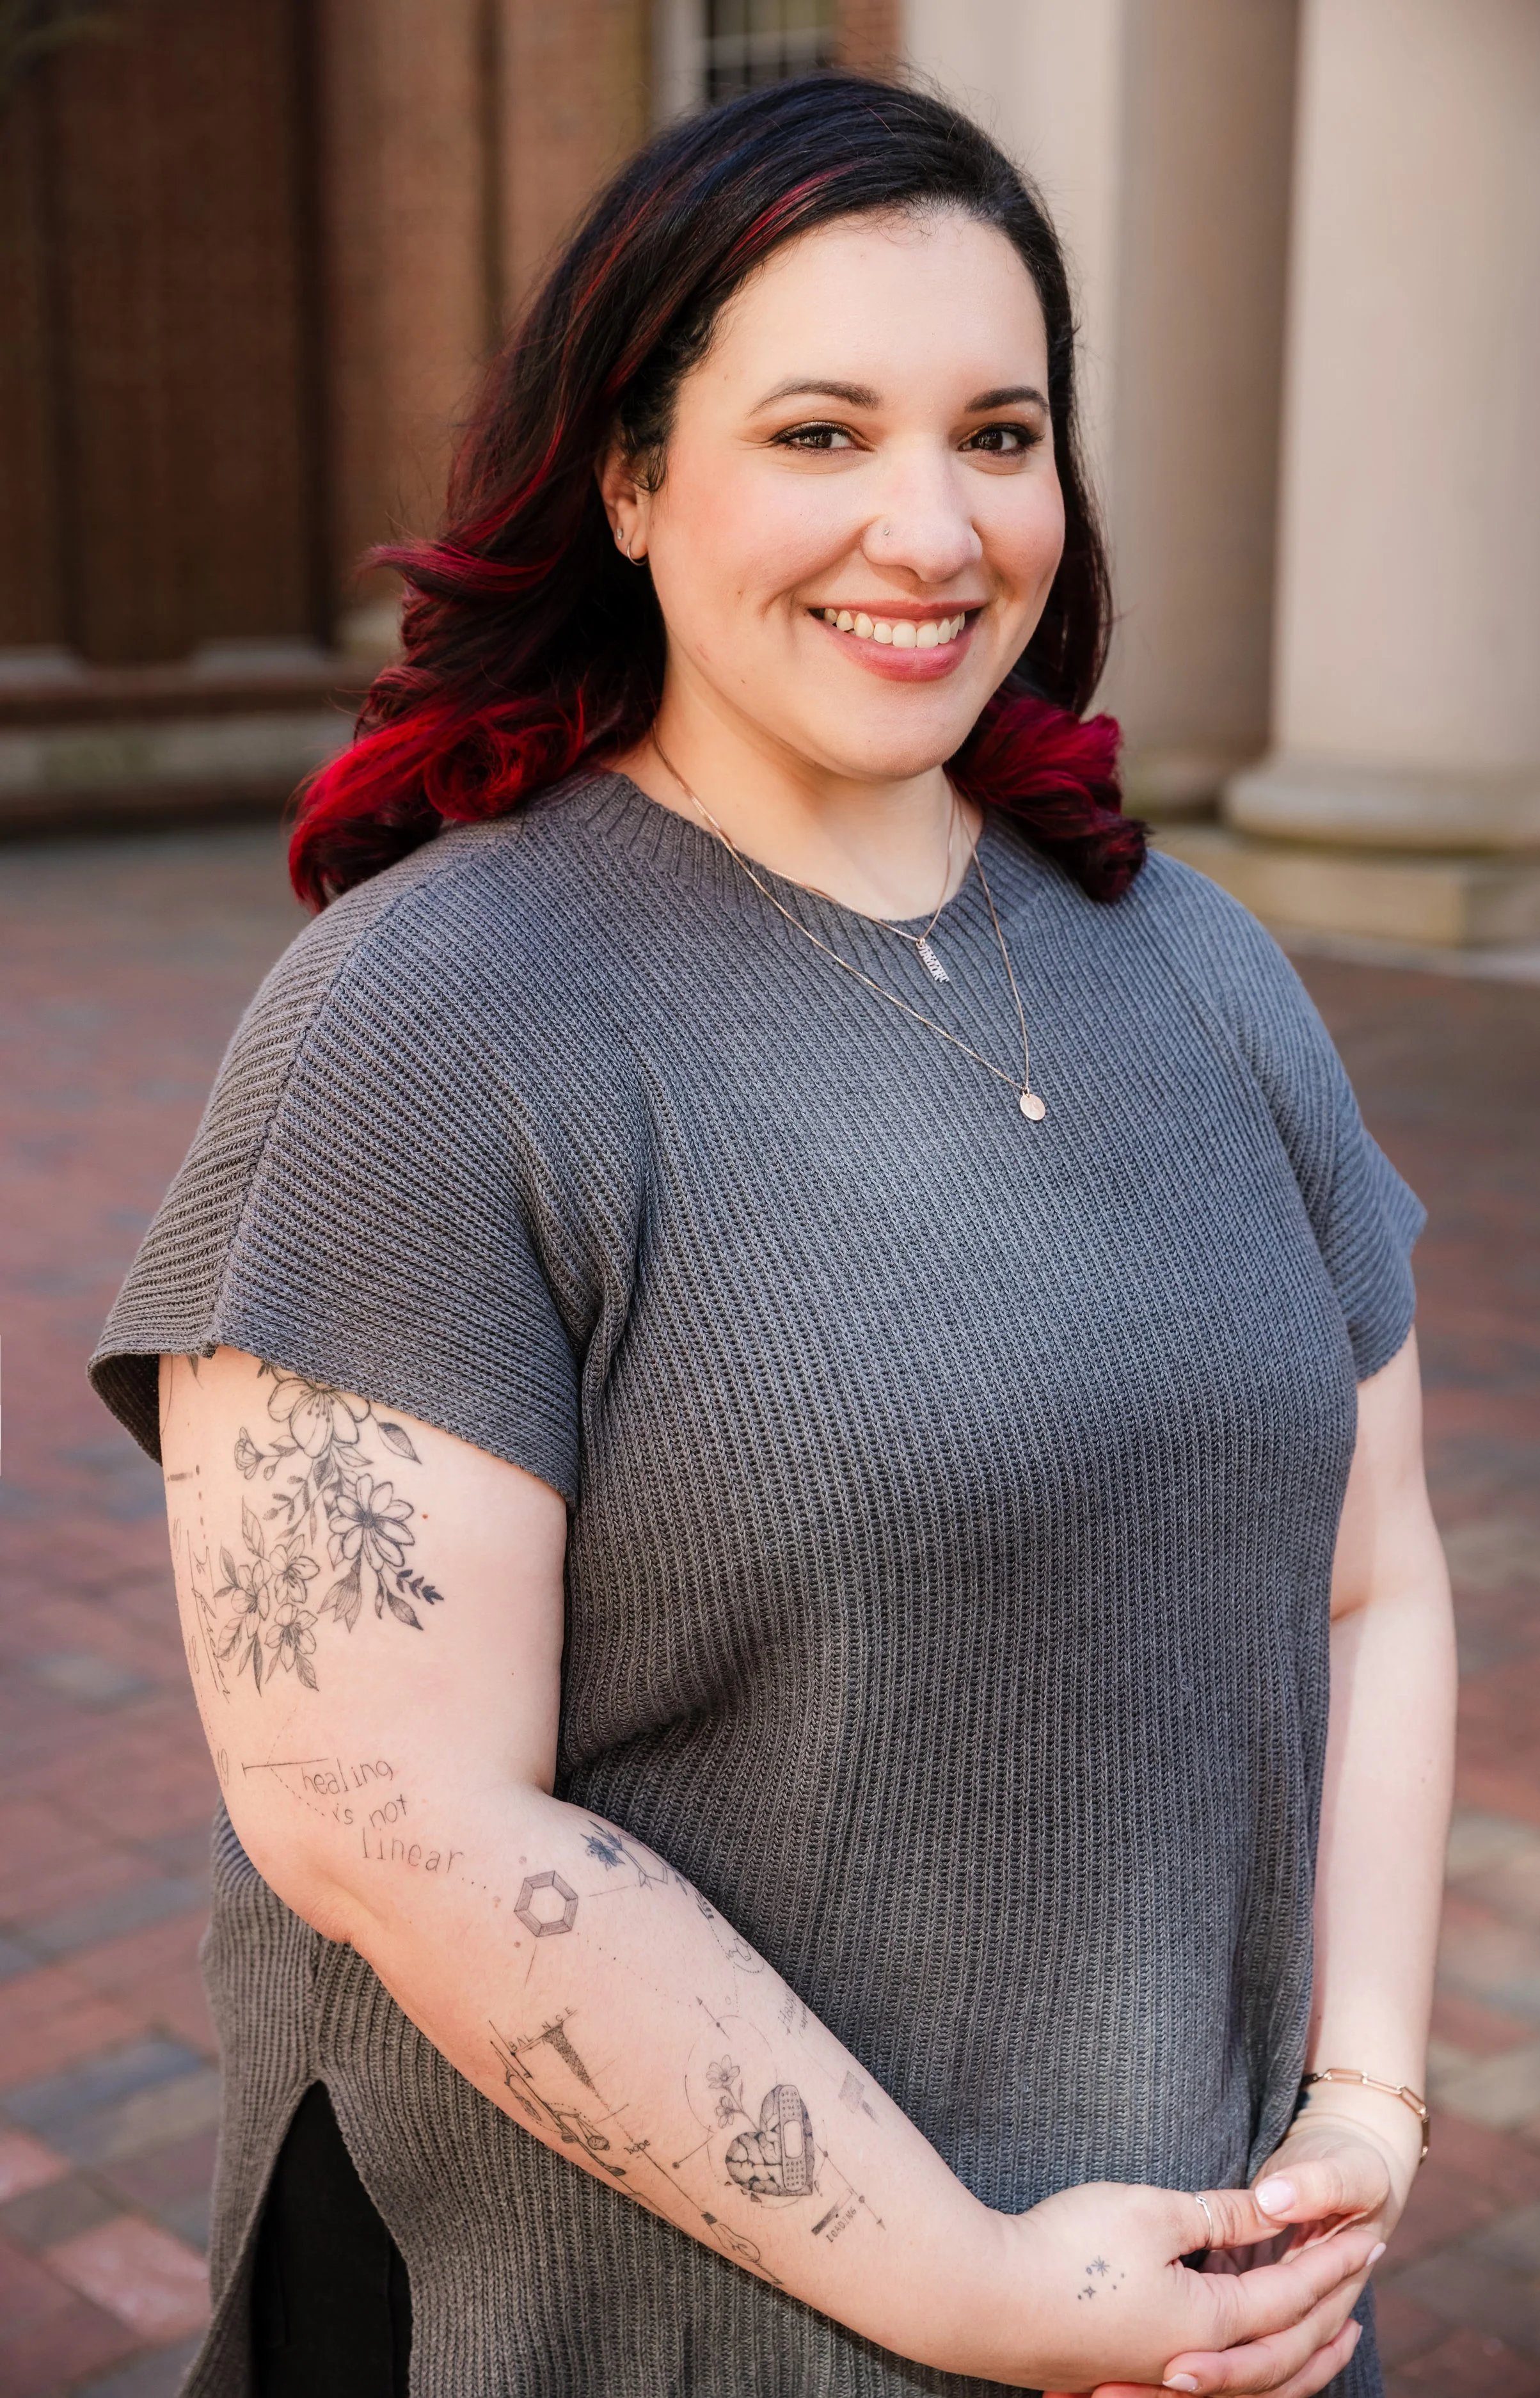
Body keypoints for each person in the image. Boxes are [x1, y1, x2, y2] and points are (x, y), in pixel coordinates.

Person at [91, 72, 1455, 2398]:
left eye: (997, 433)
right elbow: (382, 1814)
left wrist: (1359, 2104)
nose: (928, 528)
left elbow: (1376, 1570)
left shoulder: (1201, 963)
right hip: (609, 2326)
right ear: (628, 478)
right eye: (818, 432)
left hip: (1184, 2296)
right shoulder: (434, 1019)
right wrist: (974, 2289)